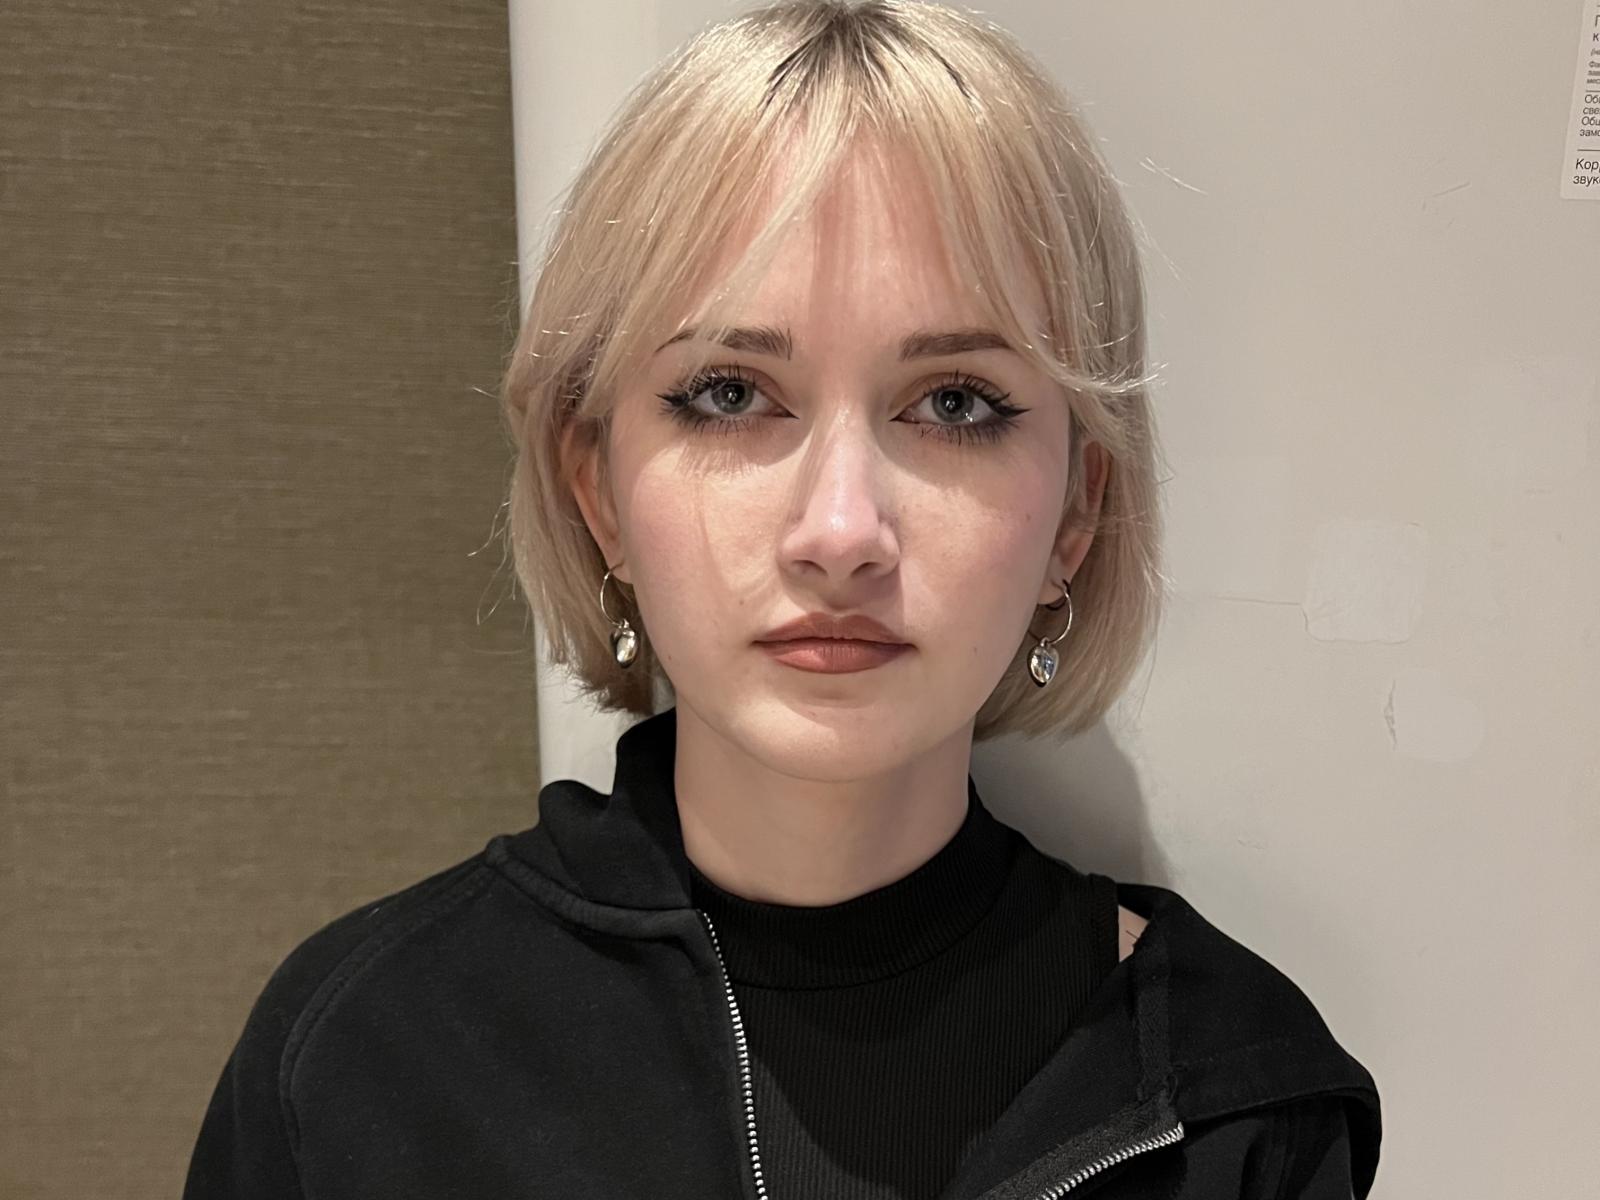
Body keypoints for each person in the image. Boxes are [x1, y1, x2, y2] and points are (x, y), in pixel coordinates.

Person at [183, 2, 1382, 1197]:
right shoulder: (363, 1061)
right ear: (596, 484)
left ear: (1075, 510)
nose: (840, 534)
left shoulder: (1236, 1103)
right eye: (727, 394)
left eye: (955, 402)